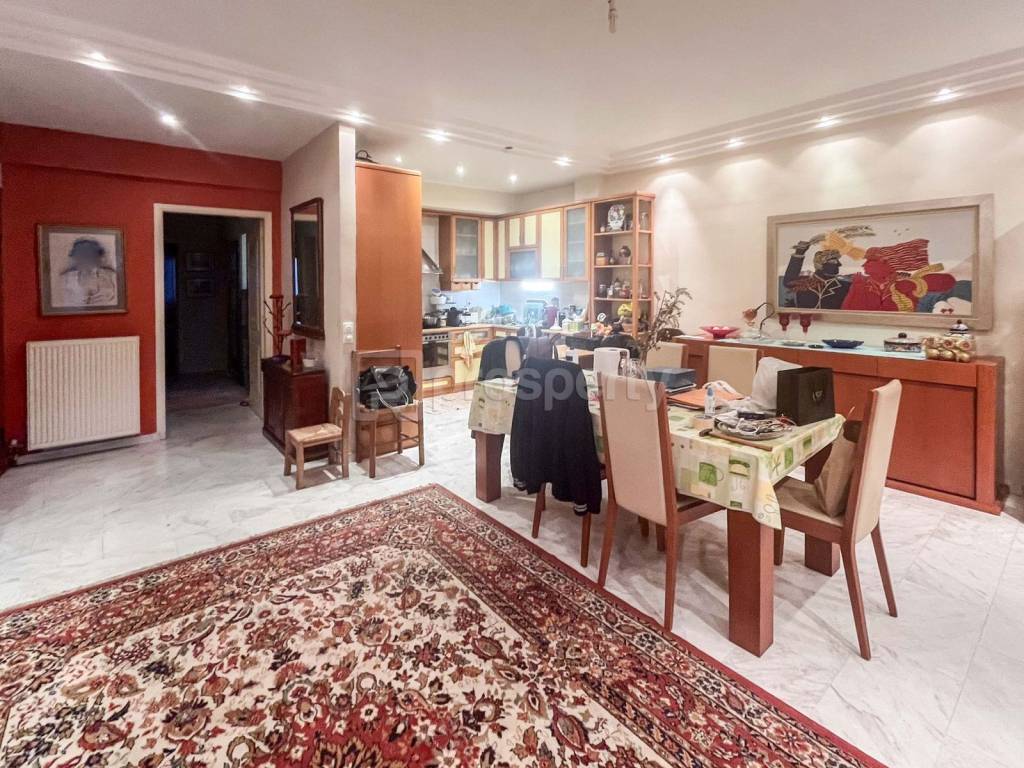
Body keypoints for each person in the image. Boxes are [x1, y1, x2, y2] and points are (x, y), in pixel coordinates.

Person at [59, 238, 117, 307]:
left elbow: (111, 298)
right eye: (82, 255)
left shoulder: (109, 275)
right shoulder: (67, 278)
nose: (86, 259)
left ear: (97, 256)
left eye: (90, 255)